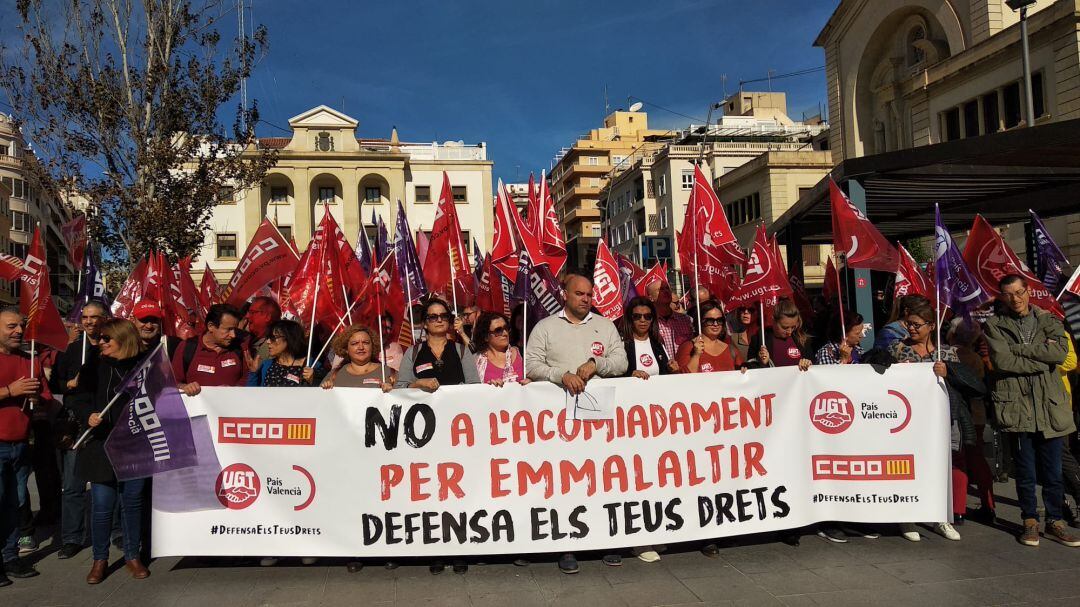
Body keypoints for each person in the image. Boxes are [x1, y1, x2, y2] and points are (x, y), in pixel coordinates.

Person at [527, 273, 627, 574]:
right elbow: (532, 364)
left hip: (600, 421)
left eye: (589, 294)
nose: (586, 299)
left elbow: (621, 361)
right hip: (559, 423)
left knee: (602, 478)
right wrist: (562, 374)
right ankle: (568, 542)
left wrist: (597, 365)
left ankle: (606, 540)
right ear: (565, 295)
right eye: (580, 294)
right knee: (566, 481)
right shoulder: (545, 328)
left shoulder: (604, 326)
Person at [983, 274, 1079, 547]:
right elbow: (1002, 361)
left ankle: (1055, 521)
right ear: (1002, 297)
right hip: (1017, 406)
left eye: (1019, 292)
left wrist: (1021, 351)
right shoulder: (994, 325)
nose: (1015, 299)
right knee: (1025, 471)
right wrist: (1040, 355)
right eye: (1009, 294)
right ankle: (1029, 521)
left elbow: (1061, 354)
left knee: (1053, 470)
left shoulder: (1049, 319)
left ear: (1028, 292)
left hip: (1050, 406)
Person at [394, 298, 478, 574]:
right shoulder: (413, 352)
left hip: (456, 432)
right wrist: (418, 383)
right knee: (433, 491)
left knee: (459, 490)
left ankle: (459, 548)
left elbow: (474, 387)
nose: (439, 320)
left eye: (443, 315)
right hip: (424, 434)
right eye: (432, 316)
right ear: (425, 322)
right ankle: (437, 548)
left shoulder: (461, 349)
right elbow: (400, 386)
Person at [69, 318, 150, 584]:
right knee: (103, 505)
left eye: (107, 338)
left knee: (132, 502)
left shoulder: (143, 366)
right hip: (101, 445)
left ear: (123, 339)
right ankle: (99, 559)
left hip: (134, 445)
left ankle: (131, 555)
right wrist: (87, 414)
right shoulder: (93, 364)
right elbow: (77, 397)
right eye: (100, 338)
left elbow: (161, 394)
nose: (100, 342)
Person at [888, 298, 975, 543]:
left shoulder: (945, 352)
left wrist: (949, 373)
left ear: (930, 326)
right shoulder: (896, 349)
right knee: (908, 467)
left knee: (940, 467)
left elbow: (966, 384)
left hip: (940, 421)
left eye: (917, 324)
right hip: (907, 421)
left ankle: (940, 518)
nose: (912, 329)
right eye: (909, 324)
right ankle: (907, 517)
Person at [49, 300, 110, 561]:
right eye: (85, 317)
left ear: (104, 319)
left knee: (108, 482)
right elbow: (55, 384)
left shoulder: (111, 348)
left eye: (94, 317)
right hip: (76, 424)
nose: (89, 322)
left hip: (103, 423)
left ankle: (116, 532)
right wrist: (70, 384)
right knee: (73, 484)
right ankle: (72, 537)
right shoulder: (71, 350)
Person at [0, 308, 45, 585]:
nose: (18, 331)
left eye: (21, 326)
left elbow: (45, 397)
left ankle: (9, 557)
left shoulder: (30, 361)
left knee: (14, 504)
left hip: (20, 445)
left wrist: (40, 401)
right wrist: (9, 391)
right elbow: (13, 391)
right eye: (10, 326)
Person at [945, 317, 997, 525]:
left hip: (961, 413)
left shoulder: (949, 355)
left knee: (959, 460)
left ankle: (957, 509)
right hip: (977, 414)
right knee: (976, 459)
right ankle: (989, 504)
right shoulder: (975, 358)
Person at [172, 304, 248, 395]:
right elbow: (172, 383)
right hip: (198, 409)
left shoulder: (240, 347)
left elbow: (248, 380)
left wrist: (235, 390)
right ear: (211, 326)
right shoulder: (187, 347)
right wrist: (184, 387)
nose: (233, 335)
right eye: (228, 329)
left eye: (234, 330)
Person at [677, 300, 745, 374]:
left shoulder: (732, 350)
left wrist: (746, 369)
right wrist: (696, 355)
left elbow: (743, 377)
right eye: (710, 320)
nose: (715, 324)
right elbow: (683, 379)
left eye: (719, 320)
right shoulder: (688, 347)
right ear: (700, 321)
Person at [246, 320, 319, 388]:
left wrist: (313, 380)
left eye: (273, 338)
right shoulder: (267, 365)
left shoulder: (311, 364)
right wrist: (253, 373)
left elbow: (323, 390)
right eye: (268, 337)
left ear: (289, 338)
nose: (268, 341)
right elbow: (251, 396)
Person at [321, 324, 394, 392]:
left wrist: (393, 391)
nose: (361, 347)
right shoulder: (334, 375)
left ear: (373, 346)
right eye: (354, 343)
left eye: (366, 342)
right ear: (346, 349)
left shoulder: (388, 373)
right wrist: (325, 389)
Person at [748, 299, 813, 371]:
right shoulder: (759, 339)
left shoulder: (802, 340)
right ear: (773, 321)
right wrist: (762, 364)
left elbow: (814, 367)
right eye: (785, 327)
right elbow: (750, 370)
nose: (789, 331)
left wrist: (808, 364)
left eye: (793, 327)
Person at [622, 297, 672, 381]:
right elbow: (614, 374)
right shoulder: (622, 344)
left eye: (647, 316)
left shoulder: (658, 343)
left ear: (652, 319)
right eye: (637, 316)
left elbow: (665, 374)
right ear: (630, 318)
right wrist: (629, 375)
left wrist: (672, 369)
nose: (642, 320)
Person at [645, 280, 692, 369]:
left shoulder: (686, 320)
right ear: (651, 298)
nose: (666, 291)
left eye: (667, 288)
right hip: (662, 373)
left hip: (684, 372)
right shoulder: (647, 322)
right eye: (660, 289)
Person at [473, 312, 529, 386]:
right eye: (498, 330)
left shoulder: (523, 354)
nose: (505, 333)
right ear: (486, 337)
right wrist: (488, 388)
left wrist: (532, 381)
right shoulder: (475, 360)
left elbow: (536, 376)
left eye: (506, 328)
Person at [241, 296, 282, 361]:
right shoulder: (245, 339)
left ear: (267, 317)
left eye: (252, 312)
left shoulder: (276, 350)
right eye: (248, 312)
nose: (247, 316)